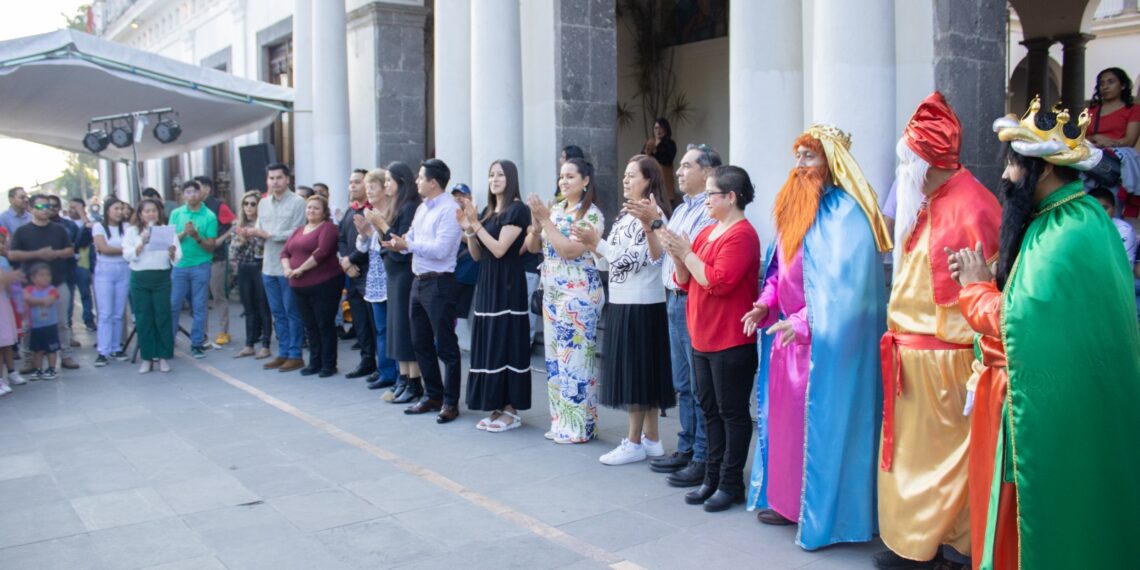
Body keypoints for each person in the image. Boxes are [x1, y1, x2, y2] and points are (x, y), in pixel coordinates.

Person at [948, 105, 1140, 570]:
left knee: (1034, 521)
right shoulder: (1070, 217)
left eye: (1014, 163)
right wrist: (985, 277)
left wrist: (975, 288)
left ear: (1047, 167)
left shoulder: (1066, 232)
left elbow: (1016, 324)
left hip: (1043, 417)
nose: (1007, 174)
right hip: (1047, 404)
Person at [739, 126, 892, 547]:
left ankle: (826, 515)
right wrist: (765, 304)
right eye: (799, 156)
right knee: (786, 433)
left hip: (825, 350)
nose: (801, 166)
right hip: (785, 341)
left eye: (810, 157)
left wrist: (804, 322)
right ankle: (787, 504)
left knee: (822, 435)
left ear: (831, 163)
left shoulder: (847, 216)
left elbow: (846, 293)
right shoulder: (794, 210)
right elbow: (777, 270)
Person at [874, 92, 1002, 570]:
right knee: (913, 459)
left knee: (943, 464)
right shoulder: (926, 201)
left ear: (929, 161)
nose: (903, 170)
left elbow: (978, 295)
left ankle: (945, 548)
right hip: (911, 358)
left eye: (909, 160)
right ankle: (917, 542)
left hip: (946, 361)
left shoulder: (973, 206)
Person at [658, 164, 761, 512]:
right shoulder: (707, 233)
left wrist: (686, 254)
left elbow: (718, 282)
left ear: (730, 197)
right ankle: (712, 476)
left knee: (731, 413)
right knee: (710, 411)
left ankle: (731, 482)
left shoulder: (743, 235)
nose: (706, 201)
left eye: (711, 194)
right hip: (701, 335)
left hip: (731, 338)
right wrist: (677, 252)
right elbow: (688, 280)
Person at [572, 155, 674, 465]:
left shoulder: (654, 216)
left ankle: (633, 442)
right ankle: (652, 439)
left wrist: (597, 243)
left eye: (632, 176)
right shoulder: (625, 216)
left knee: (637, 375)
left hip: (641, 302)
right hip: (625, 299)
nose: (626, 181)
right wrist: (594, 245)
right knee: (644, 374)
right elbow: (610, 260)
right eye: (625, 175)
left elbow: (636, 260)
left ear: (649, 181)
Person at [644, 143, 718, 485]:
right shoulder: (684, 208)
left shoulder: (708, 209)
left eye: (687, 166)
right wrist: (656, 224)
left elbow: (685, 252)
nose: (679, 172)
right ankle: (687, 447)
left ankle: (703, 455)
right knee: (683, 382)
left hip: (693, 298)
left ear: (707, 172)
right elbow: (665, 254)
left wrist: (656, 221)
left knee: (700, 384)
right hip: (673, 297)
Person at [525, 158, 605, 443]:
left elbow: (570, 251)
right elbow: (533, 247)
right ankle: (561, 422)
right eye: (561, 176)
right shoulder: (555, 209)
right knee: (556, 360)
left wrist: (545, 219)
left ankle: (579, 427)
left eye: (571, 176)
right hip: (553, 293)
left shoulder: (591, 216)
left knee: (577, 362)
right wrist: (537, 224)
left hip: (578, 295)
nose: (564, 181)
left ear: (585, 181)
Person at [382, 158, 464, 424]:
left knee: (446, 346)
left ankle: (451, 402)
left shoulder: (449, 209)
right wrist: (399, 244)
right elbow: (411, 239)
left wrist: (410, 244)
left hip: (440, 282)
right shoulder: (422, 209)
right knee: (420, 342)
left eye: (420, 177)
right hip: (418, 280)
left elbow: (441, 250)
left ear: (433, 182)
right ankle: (433, 395)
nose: (416, 181)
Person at [457, 160, 532, 432]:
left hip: (508, 285)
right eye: (491, 174)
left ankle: (511, 410)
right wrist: (468, 229)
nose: (494, 179)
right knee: (490, 343)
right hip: (487, 284)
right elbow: (478, 255)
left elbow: (500, 250)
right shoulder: (489, 213)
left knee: (507, 342)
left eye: (500, 174)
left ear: (511, 178)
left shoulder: (517, 210)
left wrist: (475, 225)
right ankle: (496, 406)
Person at [373, 162, 422, 403]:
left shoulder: (410, 206)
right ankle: (403, 378)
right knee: (395, 329)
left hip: (404, 276)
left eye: (389, 181)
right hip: (394, 276)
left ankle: (414, 382)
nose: (386, 185)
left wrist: (381, 224)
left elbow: (399, 245)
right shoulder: (399, 206)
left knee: (404, 329)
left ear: (401, 183)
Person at [9, 194, 76, 371]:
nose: (45, 209)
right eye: (40, 207)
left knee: (62, 322)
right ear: (30, 209)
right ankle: (28, 358)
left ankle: (66, 355)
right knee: (29, 324)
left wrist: (56, 254)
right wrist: (38, 254)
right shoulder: (22, 231)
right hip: (31, 287)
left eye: (47, 206)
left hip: (57, 282)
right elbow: (13, 255)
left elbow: (70, 249)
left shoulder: (59, 229)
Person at [282, 196, 343, 377]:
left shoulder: (328, 228)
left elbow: (322, 252)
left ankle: (328, 364)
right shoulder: (299, 230)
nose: (311, 211)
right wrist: (288, 269)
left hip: (324, 284)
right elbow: (285, 251)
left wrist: (300, 269)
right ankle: (314, 362)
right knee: (310, 325)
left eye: (316, 208)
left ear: (324, 212)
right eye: (309, 208)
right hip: (298, 285)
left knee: (324, 324)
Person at [254, 164, 307, 373]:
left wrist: (271, 235)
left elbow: (298, 232)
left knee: (292, 311)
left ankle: (295, 354)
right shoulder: (263, 203)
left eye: (278, 178)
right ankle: (283, 352)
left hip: (289, 266)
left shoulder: (298, 202)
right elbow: (260, 228)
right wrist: (254, 233)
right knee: (277, 312)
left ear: (287, 179)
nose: (274, 182)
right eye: (271, 178)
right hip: (268, 265)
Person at [123, 198, 181, 373]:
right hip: (140, 277)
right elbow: (127, 254)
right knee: (143, 317)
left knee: (163, 316)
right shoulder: (132, 231)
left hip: (161, 277)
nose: (151, 214)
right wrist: (142, 242)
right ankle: (147, 357)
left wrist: (172, 252)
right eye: (147, 211)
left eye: (154, 210)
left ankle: (164, 357)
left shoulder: (167, 231)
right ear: (140, 214)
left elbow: (177, 257)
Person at [355, 169, 400, 389]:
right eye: (368, 187)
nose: (369, 191)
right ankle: (386, 372)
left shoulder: (393, 213)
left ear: (385, 188)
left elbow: (389, 242)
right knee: (381, 329)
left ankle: (403, 376)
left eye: (373, 187)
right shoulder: (370, 213)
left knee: (397, 329)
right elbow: (362, 247)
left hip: (392, 276)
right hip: (375, 277)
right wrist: (363, 233)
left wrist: (372, 231)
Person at [168, 180, 218, 359]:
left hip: (201, 265)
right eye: (187, 192)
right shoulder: (176, 213)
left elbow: (211, 246)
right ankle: (169, 341)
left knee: (199, 306)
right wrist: (184, 233)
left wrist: (196, 236)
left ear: (201, 193)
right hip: (179, 266)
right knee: (173, 305)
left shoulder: (209, 216)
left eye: (194, 192)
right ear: (183, 195)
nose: (191, 195)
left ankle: (197, 343)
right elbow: (170, 241)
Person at [337, 168, 377, 380]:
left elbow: (371, 243)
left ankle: (381, 365)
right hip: (351, 274)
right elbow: (341, 238)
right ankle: (366, 361)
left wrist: (351, 260)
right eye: (350, 182)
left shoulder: (372, 211)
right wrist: (345, 262)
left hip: (368, 273)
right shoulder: (349, 212)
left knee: (374, 323)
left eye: (357, 182)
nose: (352, 185)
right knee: (360, 322)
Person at [1087, 67, 1140, 217]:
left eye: (1110, 82)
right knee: (1087, 206)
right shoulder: (1092, 111)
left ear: (1123, 85)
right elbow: (1079, 138)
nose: (1105, 86)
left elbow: (1130, 140)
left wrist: (1107, 142)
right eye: (1101, 83)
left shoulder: (1133, 110)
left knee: (1112, 206)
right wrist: (1093, 139)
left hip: (1115, 166)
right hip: (1090, 164)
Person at [194, 176, 237, 348]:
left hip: (216, 256)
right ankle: (201, 334)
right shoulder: (192, 208)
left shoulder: (218, 205)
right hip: (197, 257)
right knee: (200, 298)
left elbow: (235, 224)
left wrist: (222, 238)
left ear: (208, 189)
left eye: (198, 187)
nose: (195, 191)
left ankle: (223, 331)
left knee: (218, 295)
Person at [230, 191, 273, 359]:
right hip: (244, 268)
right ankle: (249, 344)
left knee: (263, 307)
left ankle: (266, 345)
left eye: (252, 204)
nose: (248, 207)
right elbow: (233, 252)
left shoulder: (264, 224)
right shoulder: (237, 224)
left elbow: (264, 247)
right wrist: (242, 239)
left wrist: (254, 235)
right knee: (248, 308)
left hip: (260, 266)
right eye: (246, 204)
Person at [92, 198, 132, 366]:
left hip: (124, 269)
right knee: (105, 312)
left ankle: (116, 347)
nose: (120, 212)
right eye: (116, 208)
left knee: (118, 312)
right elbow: (104, 248)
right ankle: (103, 350)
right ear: (108, 210)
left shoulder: (127, 227)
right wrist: (126, 250)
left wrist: (126, 251)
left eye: (122, 209)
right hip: (105, 271)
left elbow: (133, 247)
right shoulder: (99, 227)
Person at [23, 263, 60, 380]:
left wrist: (34, 301)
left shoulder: (52, 290)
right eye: (41, 275)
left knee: (51, 349)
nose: (45, 278)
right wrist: (41, 301)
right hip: (35, 325)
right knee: (37, 349)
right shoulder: (29, 289)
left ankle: (52, 368)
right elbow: (26, 298)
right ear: (33, 278)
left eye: (48, 275)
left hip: (50, 325)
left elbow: (49, 301)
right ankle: (38, 369)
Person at [0, 230, 25, 392]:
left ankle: (11, 372)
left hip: (4, 303)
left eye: (3, 242)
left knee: (7, 342)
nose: (2, 245)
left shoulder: (3, 260)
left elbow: (10, 284)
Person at [67, 197, 96, 332]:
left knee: (85, 293)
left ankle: (89, 319)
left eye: (76, 207)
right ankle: (68, 323)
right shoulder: (65, 223)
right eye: (71, 207)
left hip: (83, 264)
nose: (73, 210)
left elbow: (90, 234)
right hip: (68, 263)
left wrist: (82, 214)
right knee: (69, 295)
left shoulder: (89, 222)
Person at [1090, 186, 1138, 265]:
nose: (1100, 213)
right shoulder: (1079, 228)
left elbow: (1123, 266)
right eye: (1094, 208)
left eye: (1105, 208)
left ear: (1114, 209)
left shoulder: (1124, 230)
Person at [643, 118, 678, 206]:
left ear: (666, 129)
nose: (658, 131)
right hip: (650, 184)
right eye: (656, 128)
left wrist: (654, 151)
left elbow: (667, 160)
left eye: (661, 128)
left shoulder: (670, 143)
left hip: (665, 184)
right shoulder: (649, 142)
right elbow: (642, 159)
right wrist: (647, 151)